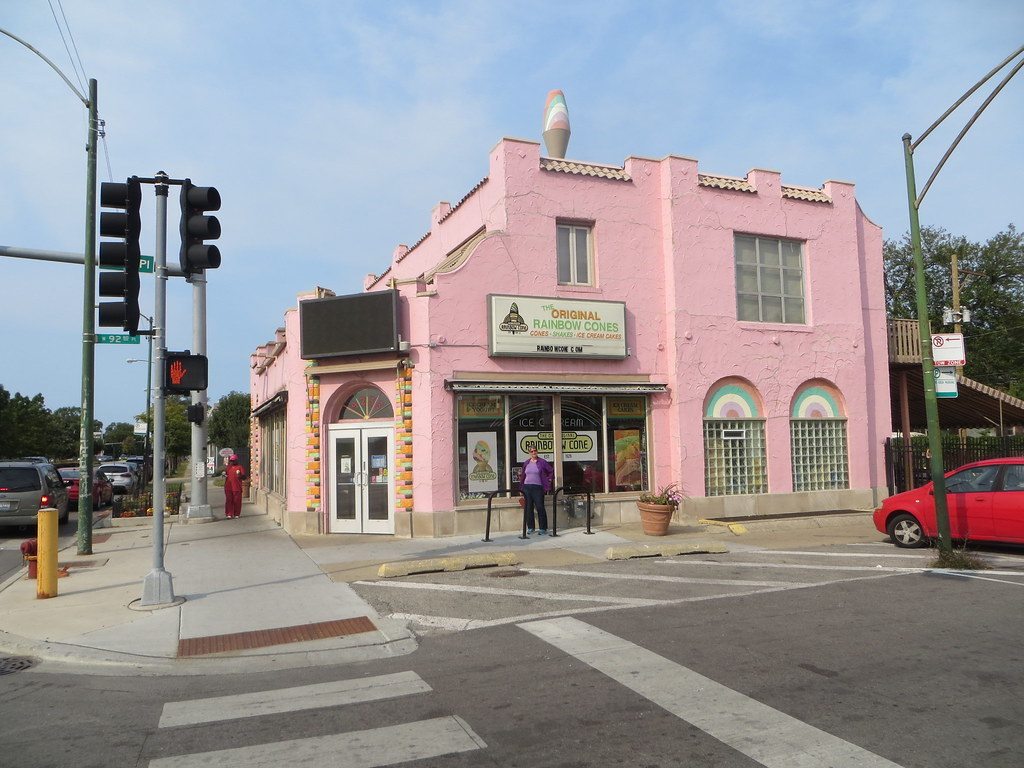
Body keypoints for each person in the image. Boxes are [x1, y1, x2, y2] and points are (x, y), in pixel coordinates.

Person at [519, 447, 554, 535]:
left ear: (537, 451)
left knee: (540, 507)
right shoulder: (526, 463)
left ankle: (543, 528)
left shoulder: (542, 462)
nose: (533, 452)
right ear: (529, 453)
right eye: (531, 451)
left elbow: (551, 471)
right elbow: (523, 475)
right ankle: (530, 527)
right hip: (527, 487)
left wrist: (548, 480)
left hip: (538, 487)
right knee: (528, 508)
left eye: (535, 451)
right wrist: (521, 488)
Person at [223, 455, 247, 519]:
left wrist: (239, 475)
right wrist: (224, 475)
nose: (232, 462)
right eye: (231, 461)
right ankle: (229, 513)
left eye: (233, 461)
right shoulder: (228, 467)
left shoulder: (239, 467)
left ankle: (236, 513)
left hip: (237, 487)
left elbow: (244, 477)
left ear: (236, 461)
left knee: (237, 501)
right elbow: (225, 474)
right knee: (229, 500)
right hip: (228, 487)